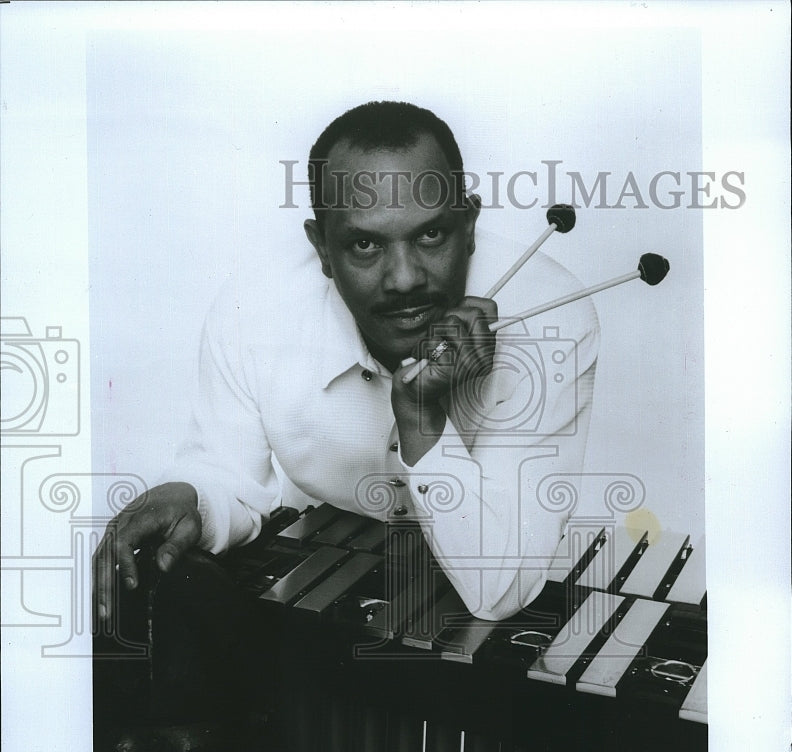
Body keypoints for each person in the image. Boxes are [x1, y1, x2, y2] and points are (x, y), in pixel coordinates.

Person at [93, 100, 599, 627]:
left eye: (430, 235)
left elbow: (502, 584)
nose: (404, 278)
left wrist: (422, 420)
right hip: (319, 584)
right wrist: (193, 499)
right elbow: (229, 477)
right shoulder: (254, 313)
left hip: (471, 592)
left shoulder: (551, 323)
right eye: (364, 244)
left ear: (468, 225)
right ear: (323, 250)